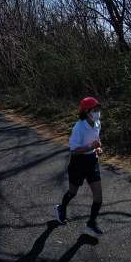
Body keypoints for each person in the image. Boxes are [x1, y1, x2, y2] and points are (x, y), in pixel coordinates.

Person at [54, 96, 104, 238]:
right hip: (78, 162)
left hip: (92, 161)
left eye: (98, 109)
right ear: (87, 111)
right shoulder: (79, 127)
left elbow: (97, 140)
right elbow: (74, 150)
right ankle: (61, 208)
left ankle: (91, 224)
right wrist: (90, 147)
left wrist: (98, 148)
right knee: (73, 192)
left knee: (98, 197)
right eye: (95, 110)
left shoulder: (97, 123)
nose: (98, 112)